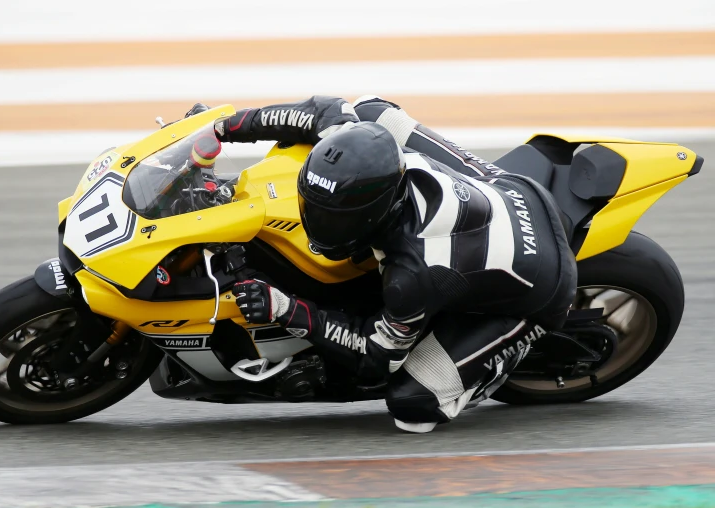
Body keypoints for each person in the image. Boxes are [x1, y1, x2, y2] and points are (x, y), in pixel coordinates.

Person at [207, 95, 576, 433]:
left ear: (373, 215)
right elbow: (320, 111)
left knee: (412, 405)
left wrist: (285, 308)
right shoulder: (363, 139)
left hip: (544, 279)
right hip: (510, 187)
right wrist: (223, 126)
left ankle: (494, 366)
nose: (316, 223)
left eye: (333, 218)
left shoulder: (410, 275)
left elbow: (375, 357)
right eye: (312, 207)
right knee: (374, 111)